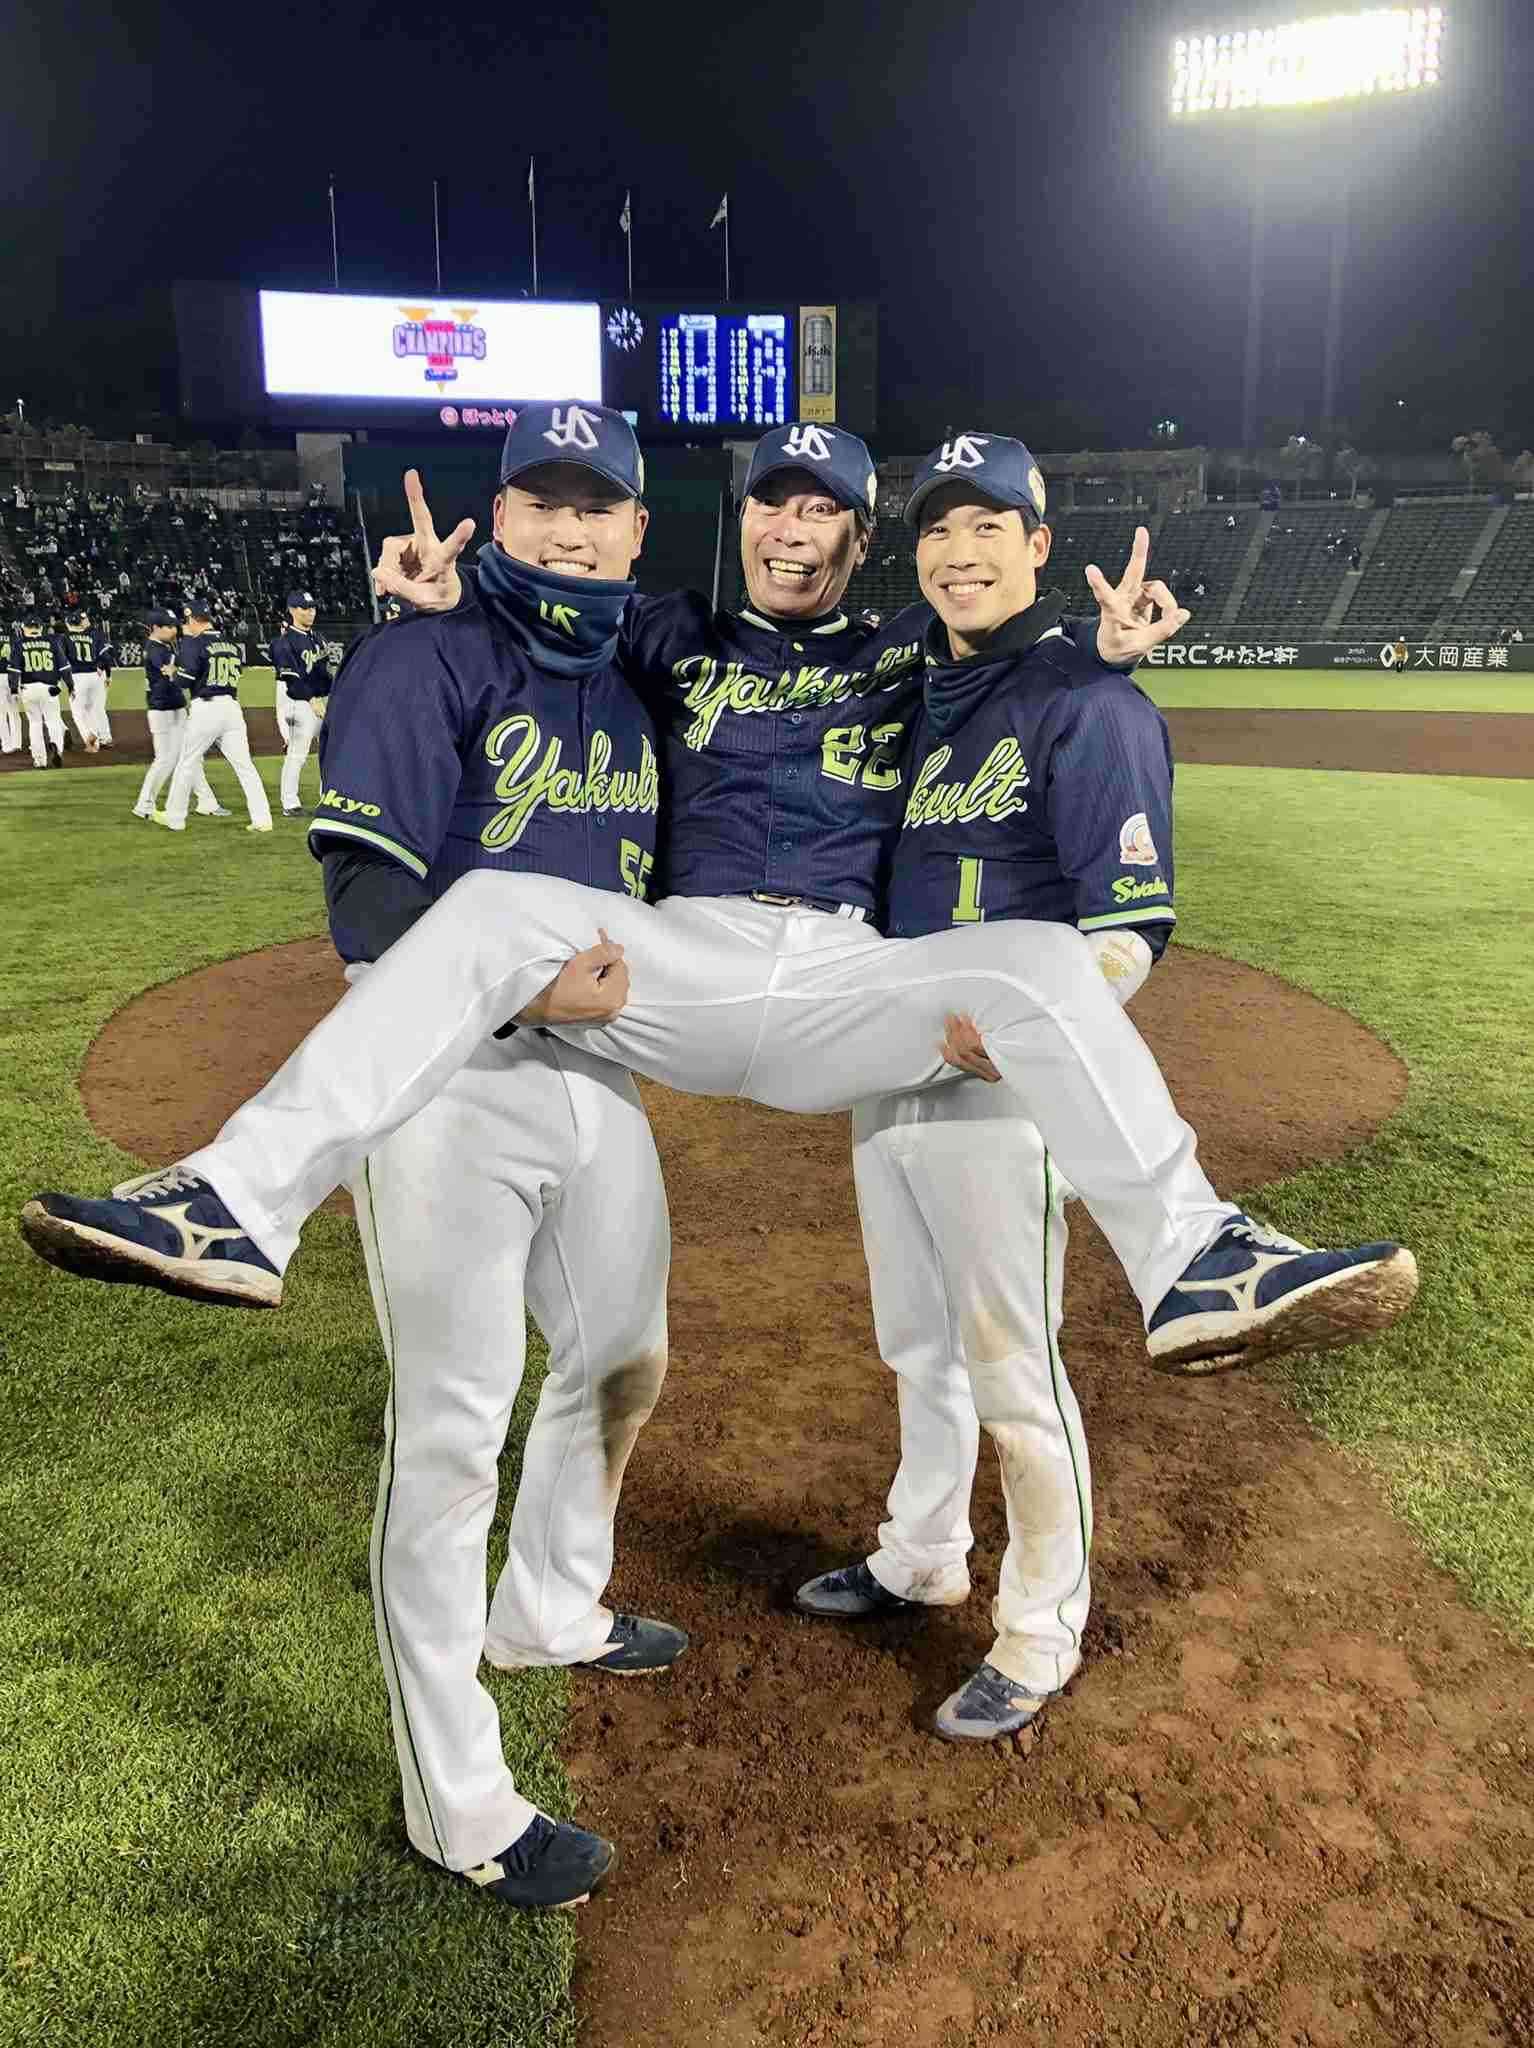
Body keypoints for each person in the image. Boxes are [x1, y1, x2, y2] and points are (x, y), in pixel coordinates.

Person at [23, 420, 1416, 1386]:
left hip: (843, 986)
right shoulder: (659, 627)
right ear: (735, 515)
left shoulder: (906, 648)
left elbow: (1007, 648)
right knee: (502, 903)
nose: (795, 526)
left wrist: (1092, 648)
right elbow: (544, 604)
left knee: (1048, 961)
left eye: (824, 508)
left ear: (860, 535)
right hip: (676, 965)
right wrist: (442, 603)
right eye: (774, 500)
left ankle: (1197, 1261)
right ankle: (236, 1205)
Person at [794, 434, 1191, 1740]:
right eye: (937, 533)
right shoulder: (915, 695)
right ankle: (919, 1550)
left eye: (988, 528)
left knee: (1013, 1370)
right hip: (890, 1064)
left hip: (995, 1090)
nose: (959, 553)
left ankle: (1038, 1626)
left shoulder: (1092, 705)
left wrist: (1029, 1032)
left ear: (1036, 543)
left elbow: (1129, 927)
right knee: (916, 1342)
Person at [153, 602, 273, 833]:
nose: (186, 627)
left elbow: (185, 681)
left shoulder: (193, 644)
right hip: (231, 708)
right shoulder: (232, 645)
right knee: (245, 766)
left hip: (206, 708)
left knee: (187, 762)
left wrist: (173, 675)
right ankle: (262, 819)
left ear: (194, 620)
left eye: (187, 622)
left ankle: (175, 818)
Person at [131, 609, 228, 821]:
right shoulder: (155, 649)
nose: (174, 629)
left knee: (192, 756)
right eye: (169, 626)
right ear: (155, 628)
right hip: (163, 710)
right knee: (166, 759)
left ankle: (207, 802)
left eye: (175, 625)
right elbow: (169, 670)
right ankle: (144, 804)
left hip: (175, 707)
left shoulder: (164, 645)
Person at [269, 588, 334, 818]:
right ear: (292, 610)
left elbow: (324, 675)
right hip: (298, 702)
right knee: (298, 753)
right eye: (305, 608)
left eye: (313, 607)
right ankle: (290, 803)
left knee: (331, 750)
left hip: (317, 701)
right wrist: (311, 699)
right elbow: (290, 681)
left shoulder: (318, 638)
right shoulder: (283, 642)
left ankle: (327, 797)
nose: (311, 612)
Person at [8, 612, 68, 768]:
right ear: (41, 628)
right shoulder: (52, 642)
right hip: (50, 688)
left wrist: (14, 690)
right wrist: (71, 686)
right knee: (53, 721)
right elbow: (64, 667)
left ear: (24, 628)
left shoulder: (19, 644)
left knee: (35, 723)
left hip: (28, 689)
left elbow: (14, 670)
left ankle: (39, 760)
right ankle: (57, 748)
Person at [57, 608, 116, 752]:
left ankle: (90, 741)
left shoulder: (65, 638)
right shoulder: (92, 637)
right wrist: (108, 675)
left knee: (78, 712)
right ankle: (102, 737)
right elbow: (106, 657)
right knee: (94, 708)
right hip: (95, 676)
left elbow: (61, 660)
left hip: (77, 677)